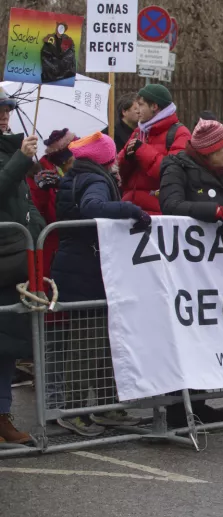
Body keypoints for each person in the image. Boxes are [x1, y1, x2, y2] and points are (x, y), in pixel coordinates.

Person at [159, 119, 223, 427]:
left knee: (207, 333)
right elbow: (171, 205)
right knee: (185, 333)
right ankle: (177, 407)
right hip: (185, 268)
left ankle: (199, 402)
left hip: (218, 267)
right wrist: (214, 212)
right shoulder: (176, 166)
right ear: (210, 149)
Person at [50, 132, 149, 436]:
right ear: (105, 158)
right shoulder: (94, 179)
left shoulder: (78, 174)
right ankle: (76, 410)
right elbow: (93, 207)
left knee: (103, 342)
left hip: (80, 267)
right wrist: (130, 210)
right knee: (86, 345)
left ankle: (108, 406)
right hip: (85, 270)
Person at [0, 90, 42, 445]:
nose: (4, 116)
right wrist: (18, 160)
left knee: (7, 347)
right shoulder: (14, 155)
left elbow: (22, 202)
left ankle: (2, 416)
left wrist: (37, 230)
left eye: (7, 110)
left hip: (13, 260)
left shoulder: (13, 151)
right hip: (2, 258)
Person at [117, 84, 190, 215]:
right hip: (130, 209)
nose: (137, 110)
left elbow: (174, 172)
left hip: (159, 214)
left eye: (141, 105)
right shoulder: (139, 132)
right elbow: (118, 170)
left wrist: (142, 151)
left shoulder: (180, 133)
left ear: (154, 106)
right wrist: (127, 158)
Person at [28, 129, 75, 277]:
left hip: (66, 241)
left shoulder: (69, 174)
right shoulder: (39, 173)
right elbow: (40, 210)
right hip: (49, 243)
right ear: (65, 159)